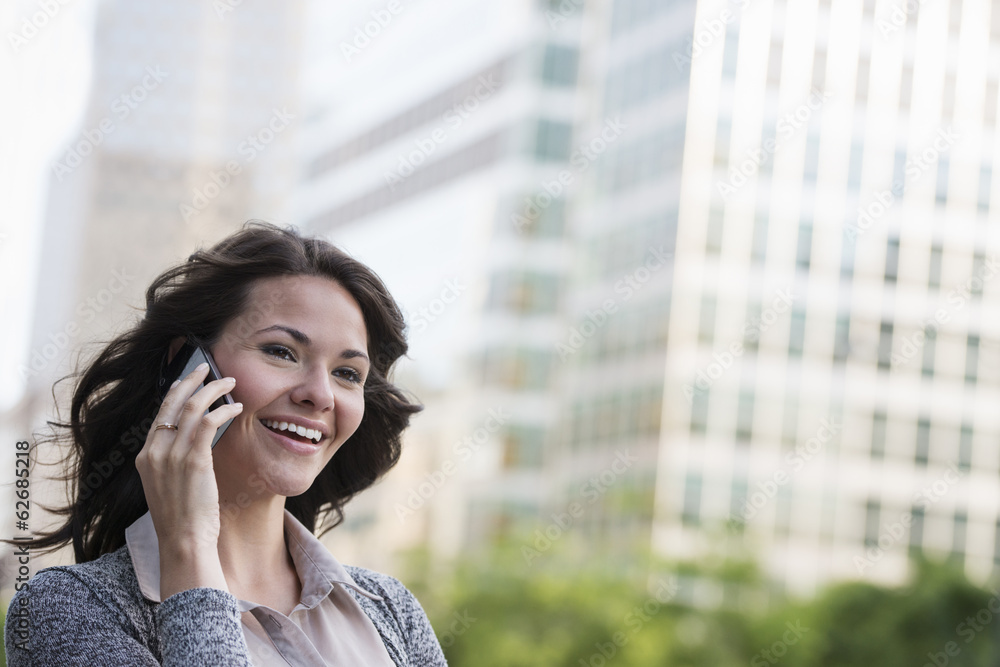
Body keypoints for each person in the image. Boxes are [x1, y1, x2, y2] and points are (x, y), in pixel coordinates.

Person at [3, 221, 449, 665]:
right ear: (187, 366)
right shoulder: (72, 609)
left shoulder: (392, 609)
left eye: (347, 373)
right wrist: (189, 546)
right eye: (281, 351)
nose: (320, 394)